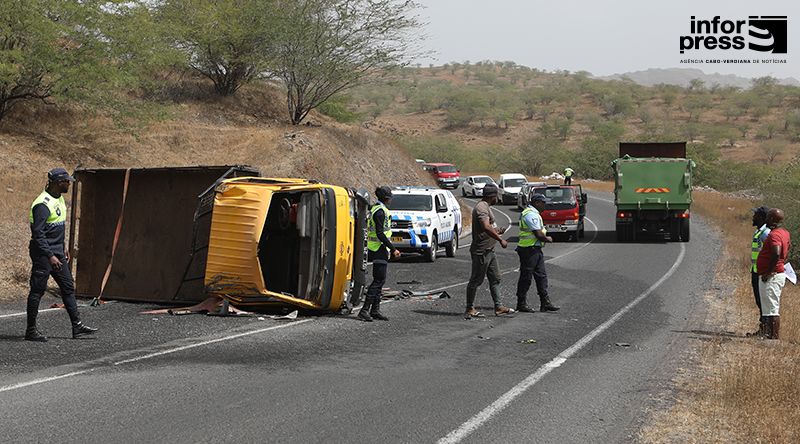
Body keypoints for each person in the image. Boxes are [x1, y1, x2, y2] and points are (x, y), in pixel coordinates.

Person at [25, 168, 97, 342]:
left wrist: (63, 247)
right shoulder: (42, 204)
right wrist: (50, 255)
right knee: (37, 290)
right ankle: (31, 331)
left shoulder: (60, 200)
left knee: (68, 287)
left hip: (57, 251)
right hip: (44, 254)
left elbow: (58, 227)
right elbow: (38, 234)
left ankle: (77, 326)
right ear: (58, 182)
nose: (69, 184)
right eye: (67, 181)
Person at [465, 183, 514, 318]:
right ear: (492, 196)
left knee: (495, 278)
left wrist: (497, 231)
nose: (498, 198)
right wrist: (500, 239)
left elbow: (487, 228)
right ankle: (469, 308)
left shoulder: (486, 207)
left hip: (490, 250)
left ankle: (498, 307)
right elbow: (486, 227)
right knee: (476, 280)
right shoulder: (481, 208)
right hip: (481, 251)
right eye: (496, 195)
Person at [359, 186, 400, 322]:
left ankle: (375, 310)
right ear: (387, 198)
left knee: (380, 280)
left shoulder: (375, 208)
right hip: (379, 248)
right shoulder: (380, 212)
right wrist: (393, 249)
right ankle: (365, 310)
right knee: (378, 280)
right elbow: (380, 233)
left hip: (376, 247)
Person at [515, 194, 560, 313]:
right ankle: (521, 303)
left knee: (541, 276)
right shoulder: (530, 214)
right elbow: (538, 234)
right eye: (543, 202)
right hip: (528, 250)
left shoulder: (534, 214)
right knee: (526, 277)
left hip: (535, 249)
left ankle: (545, 302)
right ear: (537, 203)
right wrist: (547, 238)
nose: (545, 205)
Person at [756, 208, 790, 340]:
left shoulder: (774, 235)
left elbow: (776, 252)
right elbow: (786, 251)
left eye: (768, 217)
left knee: (772, 307)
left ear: (771, 219)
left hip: (772, 276)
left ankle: (773, 336)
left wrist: (768, 272)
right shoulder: (784, 233)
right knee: (768, 306)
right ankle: (769, 334)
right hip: (775, 273)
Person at [746, 206, 770, 337]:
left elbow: (773, 251)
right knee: (759, 300)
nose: (753, 217)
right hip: (756, 271)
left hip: (761, 273)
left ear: (761, 217)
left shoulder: (765, 233)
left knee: (763, 301)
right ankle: (764, 328)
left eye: (755, 215)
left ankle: (765, 330)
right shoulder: (759, 232)